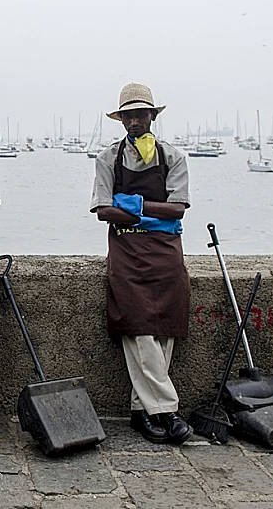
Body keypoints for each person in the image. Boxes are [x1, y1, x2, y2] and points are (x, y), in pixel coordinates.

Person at [90, 83, 192, 444]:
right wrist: (156, 214)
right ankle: (168, 410)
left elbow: (178, 209)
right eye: (128, 115)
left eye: (140, 114)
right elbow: (103, 211)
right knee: (138, 329)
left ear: (152, 116)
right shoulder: (107, 159)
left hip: (166, 253)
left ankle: (141, 412)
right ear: (121, 120)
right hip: (127, 253)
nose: (134, 121)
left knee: (165, 330)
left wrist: (131, 205)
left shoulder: (173, 156)